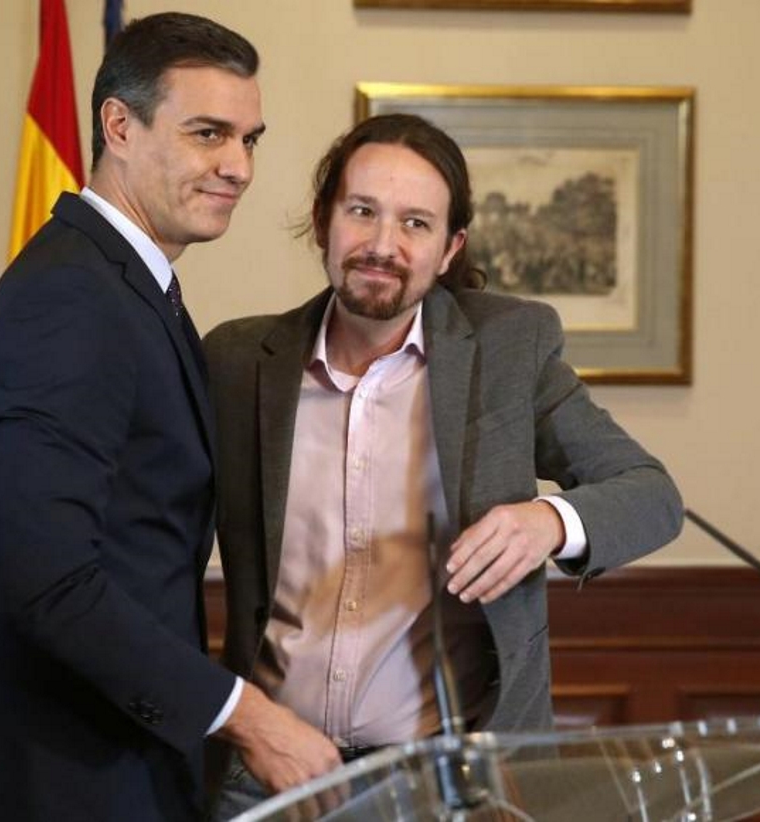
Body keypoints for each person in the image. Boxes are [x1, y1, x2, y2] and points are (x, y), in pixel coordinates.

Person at [203, 113, 684, 816]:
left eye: (416, 223)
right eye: (362, 211)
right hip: (272, 777)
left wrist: (548, 522)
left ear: (450, 246)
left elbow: (653, 495)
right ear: (323, 218)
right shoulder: (236, 361)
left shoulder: (509, 350)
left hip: (454, 786)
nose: (383, 245)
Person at [0, 13, 339, 822]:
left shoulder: (126, 285)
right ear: (118, 125)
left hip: (110, 757)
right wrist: (248, 717)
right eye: (208, 134)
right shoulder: (74, 298)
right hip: (55, 774)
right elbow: (47, 577)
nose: (238, 166)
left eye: (248, 139)